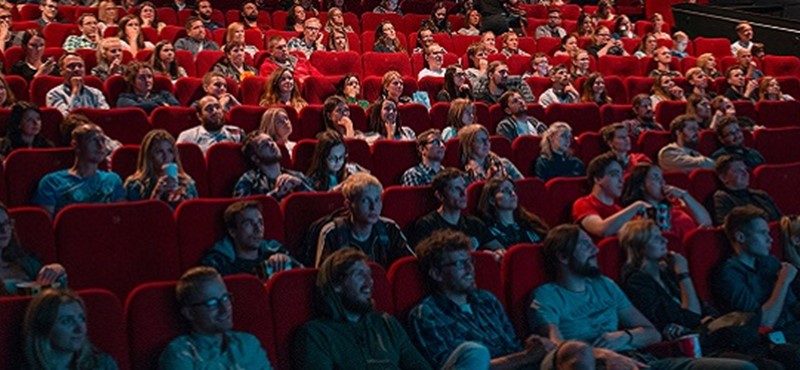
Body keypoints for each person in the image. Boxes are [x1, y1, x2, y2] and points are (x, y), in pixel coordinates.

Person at [529, 224, 757, 370]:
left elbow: (651, 333)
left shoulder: (605, 285)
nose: (595, 250)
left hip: (642, 358)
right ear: (563, 256)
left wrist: (623, 337)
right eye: (585, 245)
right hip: (600, 365)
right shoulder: (546, 296)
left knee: (743, 368)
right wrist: (603, 352)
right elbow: (557, 347)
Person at [409, 229, 577, 369]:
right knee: (476, 352)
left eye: (470, 261)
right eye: (460, 264)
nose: (469, 269)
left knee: (575, 351)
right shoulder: (427, 313)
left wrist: (530, 346)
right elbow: (466, 365)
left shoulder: (486, 299)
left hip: (520, 365)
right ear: (437, 274)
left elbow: (512, 345)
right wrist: (525, 356)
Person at [293, 248, 430, 369]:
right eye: (359, 274)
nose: (369, 281)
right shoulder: (316, 334)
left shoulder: (386, 323)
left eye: (369, 275)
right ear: (336, 285)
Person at [715, 205, 800, 343]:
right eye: (762, 233)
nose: (770, 239)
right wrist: (783, 282)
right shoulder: (729, 274)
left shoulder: (769, 261)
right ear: (740, 237)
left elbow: (793, 305)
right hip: (771, 340)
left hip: (792, 328)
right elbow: (764, 324)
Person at [159, 267, 274, 369]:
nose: (224, 309)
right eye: (212, 303)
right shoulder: (179, 355)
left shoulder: (248, 343)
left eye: (225, 298)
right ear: (189, 313)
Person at [315, 173, 411, 268]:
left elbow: (409, 265)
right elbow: (324, 277)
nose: (373, 207)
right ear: (348, 205)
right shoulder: (332, 233)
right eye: (365, 200)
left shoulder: (389, 228)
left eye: (377, 200)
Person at [33, 123, 125, 216]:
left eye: (102, 140)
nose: (100, 146)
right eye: (93, 140)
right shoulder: (52, 182)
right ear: (75, 145)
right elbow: (46, 225)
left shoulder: (113, 180)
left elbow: (121, 219)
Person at [408, 168, 503, 252]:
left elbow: (499, 249)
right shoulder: (427, 225)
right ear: (440, 196)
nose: (463, 193)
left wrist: (495, 254)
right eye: (456, 189)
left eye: (464, 187)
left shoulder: (474, 223)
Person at [23, 289, 118, 370]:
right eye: (67, 321)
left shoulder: (103, 365)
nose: (79, 329)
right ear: (44, 327)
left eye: (82, 319)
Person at [201, 200, 298, 277]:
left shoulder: (275, 251)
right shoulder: (219, 264)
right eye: (248, 223)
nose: (257, 229)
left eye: (260, 222)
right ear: (232, 231)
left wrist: (287, 260)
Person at [622, 163, 711, 237]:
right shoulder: (636, 214)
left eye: (662, 178)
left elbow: (706, 223)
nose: (662, 182)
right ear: (641, 185)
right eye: (656, 178)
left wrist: (684, 195)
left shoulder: (676, 204)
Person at [572, 153, 649, 238]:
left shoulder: (619, 210)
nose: (621, 180)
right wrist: (637, 206)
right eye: (615, 175)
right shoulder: (583, 203)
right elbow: (600, 230)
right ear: (598, 179)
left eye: (622, 175)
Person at [0, 202, 66, 295]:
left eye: (7, 223)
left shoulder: (24, 262)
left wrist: (57, 271)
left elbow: (54, 284)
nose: (4, 230)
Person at [124, 129, 197, 207]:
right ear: (149, 156)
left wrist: (184, 203)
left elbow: (195, 214)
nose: (166, 157)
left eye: (170, 151)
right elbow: (137, 217)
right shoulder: (135, 185)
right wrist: (156, 194)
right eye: (159, 152)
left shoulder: (186, 183)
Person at [234, 131, 311, 200]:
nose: (271, 144)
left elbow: (319, 202)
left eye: (271, 140)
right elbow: (243, 210)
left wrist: (300, 185)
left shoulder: (297, 176)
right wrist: (275, 194)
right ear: (255, 158)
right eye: (264, 145)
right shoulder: (248, 180)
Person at [478, 177, 549, 247]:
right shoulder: (488, 231)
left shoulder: (530, 223)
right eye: (505, 191)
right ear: (492, 200)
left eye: (513, 190)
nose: (513, 194)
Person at [713, 155, 781, 225]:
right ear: (723, 177)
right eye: (739, 170)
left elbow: (781, 219)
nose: (745, 173)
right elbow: (727, 227)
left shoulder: (761, 195)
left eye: (745, 169)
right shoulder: (722, 198)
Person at [46, 52, 109, 117]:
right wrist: (75, 92)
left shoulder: (96, 93)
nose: (77, 69)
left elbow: (104, 117)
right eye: (71, 66)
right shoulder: (54, 94)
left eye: (80, 66)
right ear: (61, 71)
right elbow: (67, 119)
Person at [177, 95, 244, 154]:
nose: (215, 111)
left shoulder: (237, 132)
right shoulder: (187, 137)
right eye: (209, 109)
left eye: (218, 107)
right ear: (199, 116)